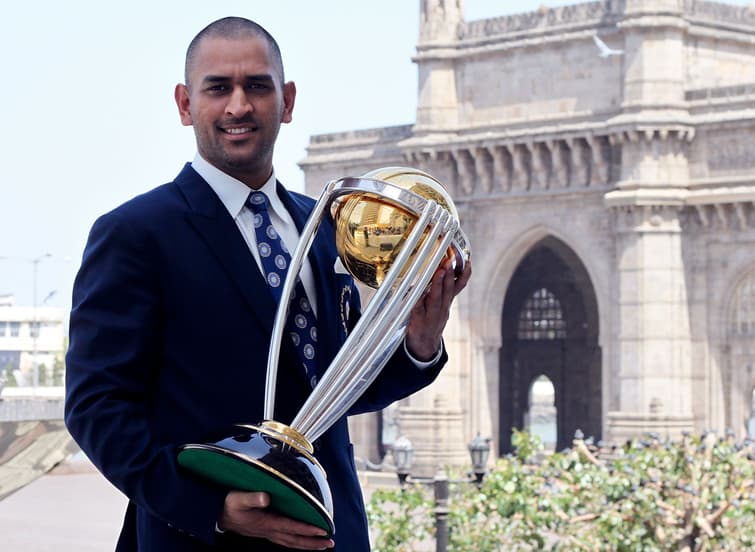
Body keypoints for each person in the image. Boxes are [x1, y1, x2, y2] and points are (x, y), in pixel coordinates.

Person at [64, 16, 471, 552]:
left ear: (288, 100)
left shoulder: (326, 228)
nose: (239, 106)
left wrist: (420, 342)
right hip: (199, 540)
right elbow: (97, 408)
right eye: (219, 88)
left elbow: (334, 387)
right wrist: (212, 509)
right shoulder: (136, 234)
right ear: (186, 105)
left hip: (334, 533)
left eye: (257, 86)